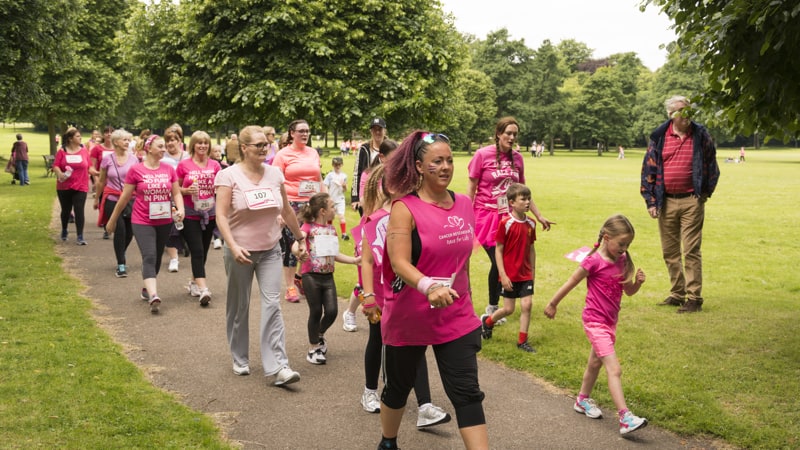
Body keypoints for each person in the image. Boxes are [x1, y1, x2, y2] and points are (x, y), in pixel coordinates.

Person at [378, 131, 488, 450]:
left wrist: (465, 303)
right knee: (398, 388)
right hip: (410, 315)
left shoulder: (465, 204)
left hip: (456, 314)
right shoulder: (405, 207)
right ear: (419, 166)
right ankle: (388, 442)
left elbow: (463, 262)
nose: (445, 167)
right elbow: (398, 262)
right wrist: (428, 286)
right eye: (436, 161)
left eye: (450, 160)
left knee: (467, 392)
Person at [358, 163, 451, 426]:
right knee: (377, 342)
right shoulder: (373, 218)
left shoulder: (416, 211)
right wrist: (367, 296)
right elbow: (366, 260)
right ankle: (370, 391)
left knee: (415, 345)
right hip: (379, 293)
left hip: (409, 292)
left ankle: (425, 406)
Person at [214, 125, 304, 385]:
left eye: (266, 144)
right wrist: (231, 245)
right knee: (239, 306)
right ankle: (240, 357)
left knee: (273, 304)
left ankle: (278, 366)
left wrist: (300, 238)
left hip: (270, 250)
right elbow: (221, 215)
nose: (265, 148)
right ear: (244, 148)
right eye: (259, 145)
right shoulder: (229, 176)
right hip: (240, 251)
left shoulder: (275, 174)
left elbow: (286, 210)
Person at [544, 214, 648, 435]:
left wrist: (637, 283)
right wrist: (553, 304)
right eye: (621, 244)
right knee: (614, 368)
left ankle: (582, 400)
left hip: (610, 322)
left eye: (628, 244)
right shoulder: (593, 261)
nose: (624, 248)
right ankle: (625, 418)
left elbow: (627, 291)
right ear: (607, 237)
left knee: (594, 364)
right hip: (595, 321)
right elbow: (570, 283)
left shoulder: (621, 260)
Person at [468, 117, 552, 325]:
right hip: (486, 216)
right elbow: (471, 188)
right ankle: (492, 308)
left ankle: (496, 307)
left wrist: (539, 215)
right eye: (508, 133)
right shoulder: (482, 155)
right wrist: (466, 215)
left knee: (505, 262)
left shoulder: (518, 158)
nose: (512, 137)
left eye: (515, 134)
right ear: (498, 134)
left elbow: (522, 192)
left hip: (508, 218)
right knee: (498, 263)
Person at [640, 95, 720, 313]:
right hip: (666, 201)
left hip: (692, 200)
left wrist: (705, 192)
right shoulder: (659, 137)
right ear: (670, 115)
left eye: (688, 111)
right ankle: (677, 293)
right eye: (681, 112)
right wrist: (651, 201)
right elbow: (649, 170)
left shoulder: (700, 135)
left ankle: (694, 298)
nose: (686, 116)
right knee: (670, 251)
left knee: (691, 250)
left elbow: (712, 165)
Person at [106, 134, 185, 314]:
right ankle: (154, 295)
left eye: (165, 146)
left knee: (156, 257)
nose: (164, 149)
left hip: (164, 220)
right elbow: (125, 197)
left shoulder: (168, 169)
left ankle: (146, 288)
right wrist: (112, 220)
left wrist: (181, 210)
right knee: (149, 255)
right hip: (142, 220)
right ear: (149, 148)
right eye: (160, 146)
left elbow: (177, 193)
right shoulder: (136, 170)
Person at [291, 193, 359, 365]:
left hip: (328, 277)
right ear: (322, 211)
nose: (335, 209)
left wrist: (354, 260)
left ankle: (319, 334)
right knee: (315, 311)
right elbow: (295, 244)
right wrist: (300, 251)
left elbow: (334, 254)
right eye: (332, 206)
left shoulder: (331, 230)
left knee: (332, 311)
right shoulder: (307, 227)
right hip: (310, 276)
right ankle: (313, 348)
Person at [342, 138, 398, 332]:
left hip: (388, 232)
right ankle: (351, 311)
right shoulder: (370, 176)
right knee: (365, 282)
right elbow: (368, 205)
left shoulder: (397, 176)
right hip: (372, 232)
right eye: (392, 159)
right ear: (381, 157)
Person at [271, 119, 327, 303]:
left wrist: (326, 201)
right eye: (301, 131)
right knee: (291, 244)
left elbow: (318, 178)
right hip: (290, 204)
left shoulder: (312, 153)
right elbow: (274, 183)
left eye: (307, 131)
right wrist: (279, 211)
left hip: (312, 204)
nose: (305, 134)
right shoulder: (282, 155)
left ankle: (301, 278)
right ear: (291, 133)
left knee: (311, 243)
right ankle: (289, 287)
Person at [479, 183, 538, 353]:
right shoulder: (505, 223)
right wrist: (503, 276)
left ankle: (522, 341)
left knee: (527, 305)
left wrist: (532, 272)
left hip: (525, 273)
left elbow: (532, 249)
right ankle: (488, 322)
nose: (527, 202)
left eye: (529, 199)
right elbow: (498, 249)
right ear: (511, 202)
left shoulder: (531, 224)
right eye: (523, 199)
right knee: (509, 309)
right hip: (510, 275)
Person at [177, 131, 222, 307]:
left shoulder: (215, 165)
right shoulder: (184, 165)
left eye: (205, 143)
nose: (202, 146)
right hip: (190, 212)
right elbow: (176, 188)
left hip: (209, 212)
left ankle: (195, 282)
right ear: (193, 145)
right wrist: (187, 191)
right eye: (199, 143)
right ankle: (204, 289)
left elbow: (220, 188)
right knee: (197, 250)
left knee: (203, 249)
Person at [94, 129, 137, 277]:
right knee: (120, 230)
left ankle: (120, 252)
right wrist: (96, 199)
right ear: (116, 142)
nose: (127, 142)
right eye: (124, 139)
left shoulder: (134, 159)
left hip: (130, 200)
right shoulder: (107, 159)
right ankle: (121, 264)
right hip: (112, 198)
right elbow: (101, 181)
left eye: (128, 140)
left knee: (130, 233)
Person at [54, 127, 91, 245]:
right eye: (78, 136)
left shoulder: (84, 151)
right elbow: (56, 165)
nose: (80, 138)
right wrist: (59, 173)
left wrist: (97, 175)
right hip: (64, 186)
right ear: (70, 139)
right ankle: (64, 229)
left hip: (81, 185)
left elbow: (89, 165)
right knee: (66, 210)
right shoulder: (62, 151)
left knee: (79, 210)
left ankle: (80, 236)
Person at [162, 125, 189, 273]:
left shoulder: (187, 156)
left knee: (185, 228)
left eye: (174, 140)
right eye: (168, 140)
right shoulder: (162, 158)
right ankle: (174, 259)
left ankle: (185, 246)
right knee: (171, 229)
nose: (171, 143)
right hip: (169, 198)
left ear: (180, 141)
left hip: (189, 199)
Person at [351, 117, 386, 216]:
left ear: (384, 130)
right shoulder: (364, 149)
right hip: (367, 196)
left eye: (380, 129)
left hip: (386, 195)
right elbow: (356, 173)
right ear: (371, 131)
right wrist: (355, 198)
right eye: (375, 129)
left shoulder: (390, 147)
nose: (377, 132)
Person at [323, 157, 349, 240]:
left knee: (341, 216)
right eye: (335, 165)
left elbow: (345, 189)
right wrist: (327, 196)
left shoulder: (344, 176)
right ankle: (330, 233)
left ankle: (344, 234)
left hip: (340, 199)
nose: (337, 166)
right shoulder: (330, 175)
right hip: (332, 199)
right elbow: (326, 185)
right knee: (330, 217)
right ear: (333, 165)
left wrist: (344, 186)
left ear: (342, 165)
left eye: (339, 165)